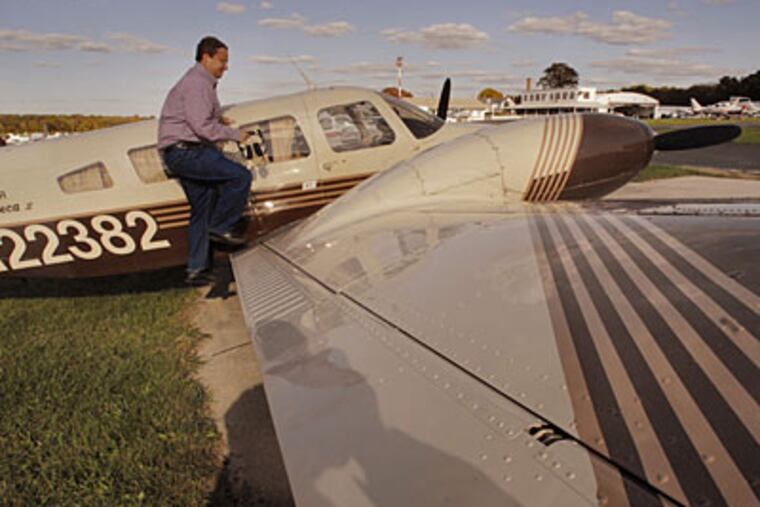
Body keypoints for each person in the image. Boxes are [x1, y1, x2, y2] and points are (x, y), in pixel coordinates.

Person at [158, 36, 252, 286]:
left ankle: (198, 268)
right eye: (222, 61)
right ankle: (222, 227)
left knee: (203, 208)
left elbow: (199, 119)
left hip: (177, 153)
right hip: (188, 152)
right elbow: (201, 127)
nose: (226, 66)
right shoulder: (197, 84)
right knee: (240, 176)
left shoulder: (199, 83)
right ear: (206, 57)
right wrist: (236, 135)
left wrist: (219, 120)